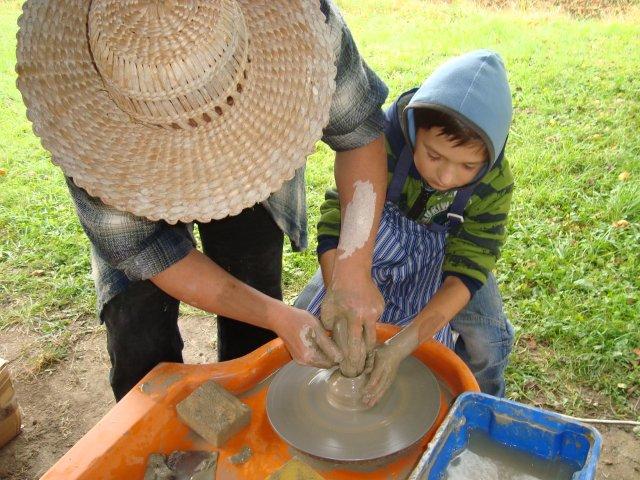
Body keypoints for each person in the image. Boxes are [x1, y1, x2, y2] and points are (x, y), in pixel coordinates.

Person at [16, 0, 388, 400]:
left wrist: (351, 271)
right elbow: (147, 250)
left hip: (255, 177)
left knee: (254, 334)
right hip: (129, 180)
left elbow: (360, 134)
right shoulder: (83, 133)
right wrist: (276, 314)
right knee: (140, 346)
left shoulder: (307, 29)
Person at [296, 50, 516, 404]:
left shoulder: (494, 182)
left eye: (467, 166)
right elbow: (341, 217)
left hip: (452, 252)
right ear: (414, 129)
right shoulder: (384, 140)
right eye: (434, 155)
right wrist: (340, 288)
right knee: (309, 313)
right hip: (373, 232)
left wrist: (402, 344)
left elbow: (469, 269)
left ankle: (481, 406)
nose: (446, 176)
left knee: (487, 343)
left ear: (488, 159)